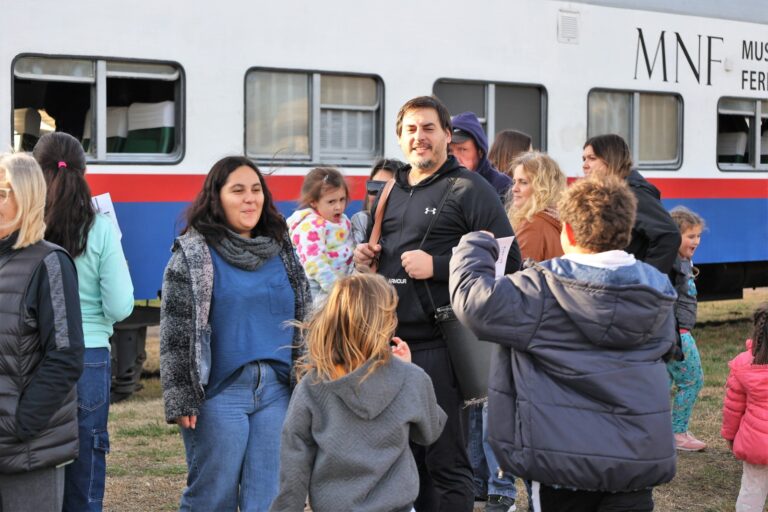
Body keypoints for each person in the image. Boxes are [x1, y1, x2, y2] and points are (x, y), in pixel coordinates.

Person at [450, 176, 677, 511]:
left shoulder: (541, 289)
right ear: (627, 232)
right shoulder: (657, 293)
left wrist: (475, 246)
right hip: (635, 461)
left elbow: (474, 302)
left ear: (567, 232)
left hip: (562, 464)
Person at [354, 95, 521, 512]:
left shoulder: (470, 188)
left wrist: (441, 265)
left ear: (447, 134)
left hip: (441, 348)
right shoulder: (391, 189)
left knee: (445, 462)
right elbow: (386, 253)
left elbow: (509, 261)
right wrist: (367, 256)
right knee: (404, 464)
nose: (419, 137)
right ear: (400, 137)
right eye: (411, 129)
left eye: (428, 128)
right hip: (388, 348)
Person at [160, 156, 311, 511]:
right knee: (213, 498)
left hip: (277, 392)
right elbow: (175, 329)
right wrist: (181, 396)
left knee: (268, 501)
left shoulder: (281, 246)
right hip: (219, 394)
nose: (250, 199)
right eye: (238, 190)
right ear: (217, 198)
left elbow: (305, 311)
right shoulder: (194, 252)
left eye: (256, 190)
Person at [270, 273, 446, 512]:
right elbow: (429, 432)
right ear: (385, 322)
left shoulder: (313, 386)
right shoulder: (410, 377)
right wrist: (410, 371)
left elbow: (294, 462)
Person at [32, 132, 135, 512]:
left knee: (36, 459)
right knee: (86, 455)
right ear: (84, 171)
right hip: (88, 355)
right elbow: (122, 305)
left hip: (36, 354)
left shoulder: (25, 228)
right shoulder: (101, 227)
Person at [0, 153, 84, 512]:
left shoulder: (50, 262)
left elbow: (65, 356)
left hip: (27, 447)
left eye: (4, 192)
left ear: (28, 197)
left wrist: (22, 424)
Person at [582, 133, 680, 274]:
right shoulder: (612, 192)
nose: (585, 165)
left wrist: (648, 277)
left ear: (611, 159)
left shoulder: (633, 193)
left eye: (592, 158)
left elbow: (669, 234)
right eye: (584, 159)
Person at [666, 206, 707, 452]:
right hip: (677, 333)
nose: (696, 241)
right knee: (693, 380)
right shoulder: (671, 263)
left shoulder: (683, 259)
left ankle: (660, 430)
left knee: (664, 381)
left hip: (678, 331)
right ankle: (677, 433)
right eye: (690, 236)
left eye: (698, 236)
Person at [722, 303, 768, 512]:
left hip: (755, 444)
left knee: (752, 490)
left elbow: (733, 408)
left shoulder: (743, 364)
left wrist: (731, 437)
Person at [287, 167, 354, 303]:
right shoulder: (310, 226)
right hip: (318, 292)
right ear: (313, 202)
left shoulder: (344, 221)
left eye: (342, 199)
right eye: (331, 201)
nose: (339, 207)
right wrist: (337, 291)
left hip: (342, 290)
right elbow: (314, 263)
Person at [507, 151, 567, 262]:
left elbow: (518, 276)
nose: (514, 188)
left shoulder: (532, 224)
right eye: (514, 181)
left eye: (523, 182)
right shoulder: (557, 219)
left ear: (542, 187)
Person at [451, 111, 513, 199]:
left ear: (480, 151)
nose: (455, 158)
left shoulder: (503, 186)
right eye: (449, 151)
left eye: (462, 150)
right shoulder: (440, 185)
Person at [350, 158, 402, 245]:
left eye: (388, 188)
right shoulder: (361, 221)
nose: (378, 196)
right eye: (374, 187)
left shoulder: (413, 227)